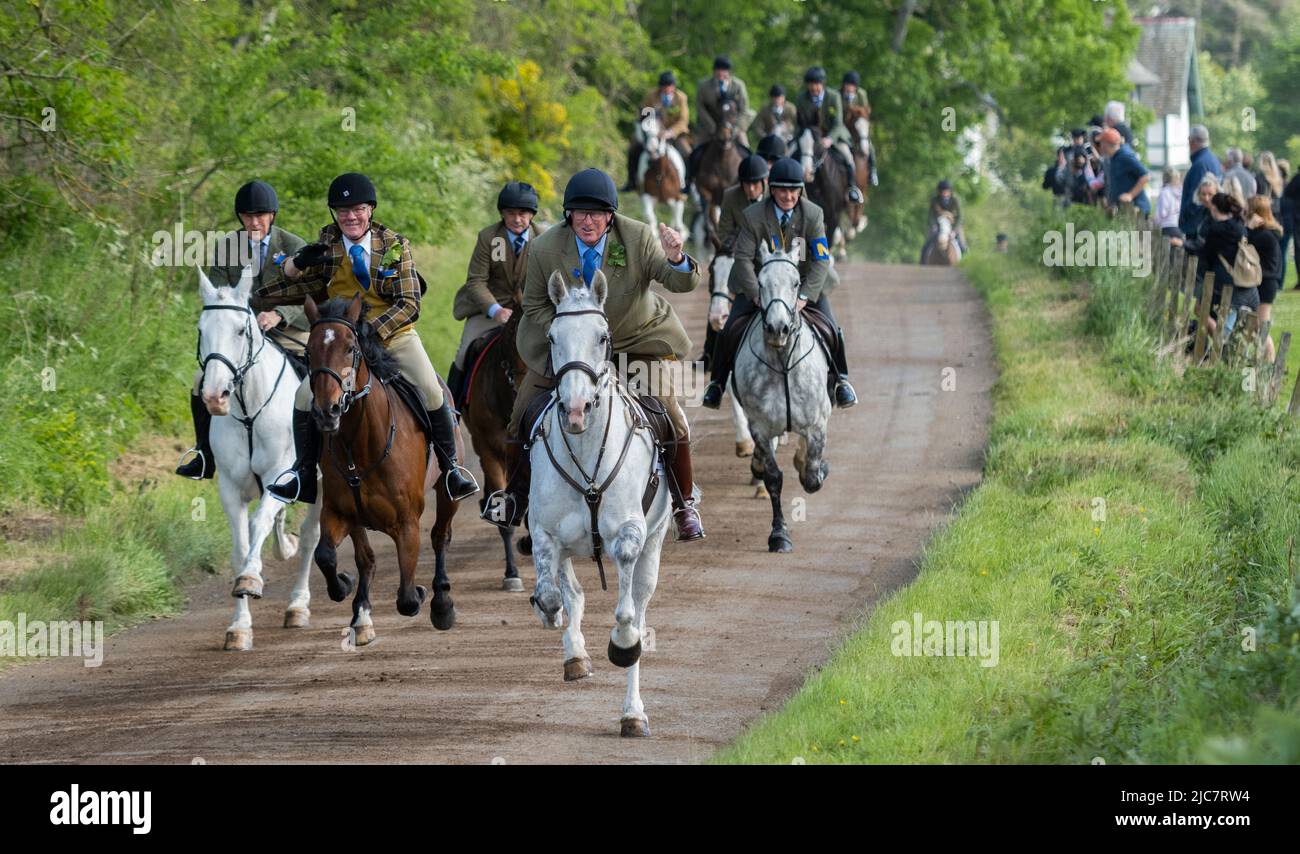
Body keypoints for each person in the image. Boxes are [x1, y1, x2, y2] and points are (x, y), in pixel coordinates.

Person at [485, 168, 706, 541]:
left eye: (597, 213)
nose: (588, 221)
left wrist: (676, 257)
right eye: (580, 213)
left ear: (611, 216)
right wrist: (574, 330)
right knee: (522, 412)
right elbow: (535, 306)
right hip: (571, 350)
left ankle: (684, 505)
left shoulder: (636, 236)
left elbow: (680, 282)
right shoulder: (544, 248)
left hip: (633, 341)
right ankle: (515, 498)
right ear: (568, 215)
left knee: (669, 412)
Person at [258, 172, 478, 505]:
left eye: (357, 209)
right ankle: (302, 475)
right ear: (335, 214)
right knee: (304, 397)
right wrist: (294, 264)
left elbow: (410, 303)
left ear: (370, 210)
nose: (350, 217)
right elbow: (272, 290)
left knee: (432, 390)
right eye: (343, 211)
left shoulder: (394, 245)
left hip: (392, 335)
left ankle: (451, 470)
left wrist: (370, 329)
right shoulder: (327, 245)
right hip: (341, 344)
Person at [702, 157, 858, 411]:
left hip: (804, 283)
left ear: (800, 190)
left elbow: (820, 260)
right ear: (771, 190)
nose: (788, 196)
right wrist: (755, 294)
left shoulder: (813, 214)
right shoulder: (752, 216)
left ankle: (842, 381)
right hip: (760, 284)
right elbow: (742, 259)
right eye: (782, 190)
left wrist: (805, 296)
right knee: (730, 328)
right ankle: (716, 384)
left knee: (831, 326)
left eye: (793, 190)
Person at [177, 180, 307, 480]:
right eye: (248, 216)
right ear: (240, 217)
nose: (254, 222)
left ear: (272, 215)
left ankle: (314, 455)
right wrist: (246, 321)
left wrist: (278, 315)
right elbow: (219, 297)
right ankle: (204, 455)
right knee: (200, 381)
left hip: (289, 331)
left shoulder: (294, 247)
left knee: (316, 383)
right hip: (241, 334)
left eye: (260, 215)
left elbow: (308, 297)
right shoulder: (227, 247)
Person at [446, 181, 542, 406]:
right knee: (463, 352)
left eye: (522, 213)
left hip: (529, 313)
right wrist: (495, 310)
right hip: (489, 310)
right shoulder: (489, 237)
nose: (517, 219)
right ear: (502, 213)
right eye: (510, 213)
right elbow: (476, 282)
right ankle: (453, 410)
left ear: (532, 215)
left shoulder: (545, 239)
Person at [794, 66, 864, 205]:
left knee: (848, 156)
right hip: (810, 136)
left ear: (822, 84)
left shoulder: (833, 96)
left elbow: (838, 123)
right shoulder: (801, 98)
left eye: (817, 84)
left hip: (833, 135)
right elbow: (800, 122)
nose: (814, 88)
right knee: (790, 153)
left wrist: (830, 139)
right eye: (811, 85)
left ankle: (852, 189)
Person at [1197, 192, 1257, 337]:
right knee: (1236, 323)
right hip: (1245, 280)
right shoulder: (1239, 226)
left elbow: (1207, 255)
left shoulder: (1215, 230)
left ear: (1214, 208)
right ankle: (1224, 347)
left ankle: (1221, 346)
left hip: (1222, 281)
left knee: (1204, 311)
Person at [688, 56, 754, 184]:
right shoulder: (703, 85)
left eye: (723, 71)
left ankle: (751, 178)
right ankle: (689, 180)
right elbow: (700, 108)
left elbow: (744, 109)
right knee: (695, 153)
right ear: (714, 71)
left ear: (728, 72)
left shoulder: (738, 85)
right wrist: (712, 127)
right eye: (718, 70)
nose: (720, 73)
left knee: (747, 150)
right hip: (709, 128)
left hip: (733, 127)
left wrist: (736, 128)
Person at [621, 71, 691, 193]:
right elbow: (643, 114)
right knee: (633, 147)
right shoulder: (651, 95)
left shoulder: (681, 98)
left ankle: (687, 183)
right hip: (653, 132)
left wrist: (670, 132)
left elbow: (683, 120)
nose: (665, 89)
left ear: (673, 86)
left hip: (675, 133)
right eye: (663, 86)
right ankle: (631, 181)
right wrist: (652, 128)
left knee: (687, 151)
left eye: (668, 86)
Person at [1246, 195, 1283, 362]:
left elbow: (1244, 244)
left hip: (1266, 283)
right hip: (1266, 282)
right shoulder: (1267, 233)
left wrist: (1248, 227)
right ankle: (1265, 359)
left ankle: (1270, 361)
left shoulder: (1264, 235)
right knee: (1256, 325)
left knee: (1262, 326)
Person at [1096, 127, 1150, 218]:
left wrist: (1130, 195)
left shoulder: (1125, 156)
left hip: (1137, 209)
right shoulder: (1112, 158)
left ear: (1106, 144)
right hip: (1123, 210)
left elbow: (1145, 176)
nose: (1100, 146)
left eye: (1101, 143)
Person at [1179, 125, 1223, 234]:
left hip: (1197, 227)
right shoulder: (1212, 160)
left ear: (1192, 141)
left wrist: (1186, 218)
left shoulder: (1200, 165)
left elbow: (1197, 199)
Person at [840, 70, 878, 187]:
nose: (850, 88)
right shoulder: (838, 95)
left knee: (869, 146)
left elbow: (865, 111)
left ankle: (873, 171)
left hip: (857, 125)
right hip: (843, 126)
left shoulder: (861, 94)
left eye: (852, 86)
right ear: (844, 85)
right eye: (847, 85)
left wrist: (855, 112)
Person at [919, 179, 966, 260]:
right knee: (926, 244)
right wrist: (934, 225)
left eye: (947, 191)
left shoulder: (955, 200)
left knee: (962, 245)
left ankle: (966, 264)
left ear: (950, 191)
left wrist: (954, 230)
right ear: (939, 192)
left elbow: (959, 217)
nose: (945, 193)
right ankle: (923, 264)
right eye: (943, 191)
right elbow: (931, 216)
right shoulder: (934, 200)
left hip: (953, 225)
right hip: (938, 225)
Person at [1156, 167, 1182, 238]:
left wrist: (1156, 222)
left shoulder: (1164, 192)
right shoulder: (1180, 192)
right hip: (1178, 227)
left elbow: (1163, 213)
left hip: (1167, 227)